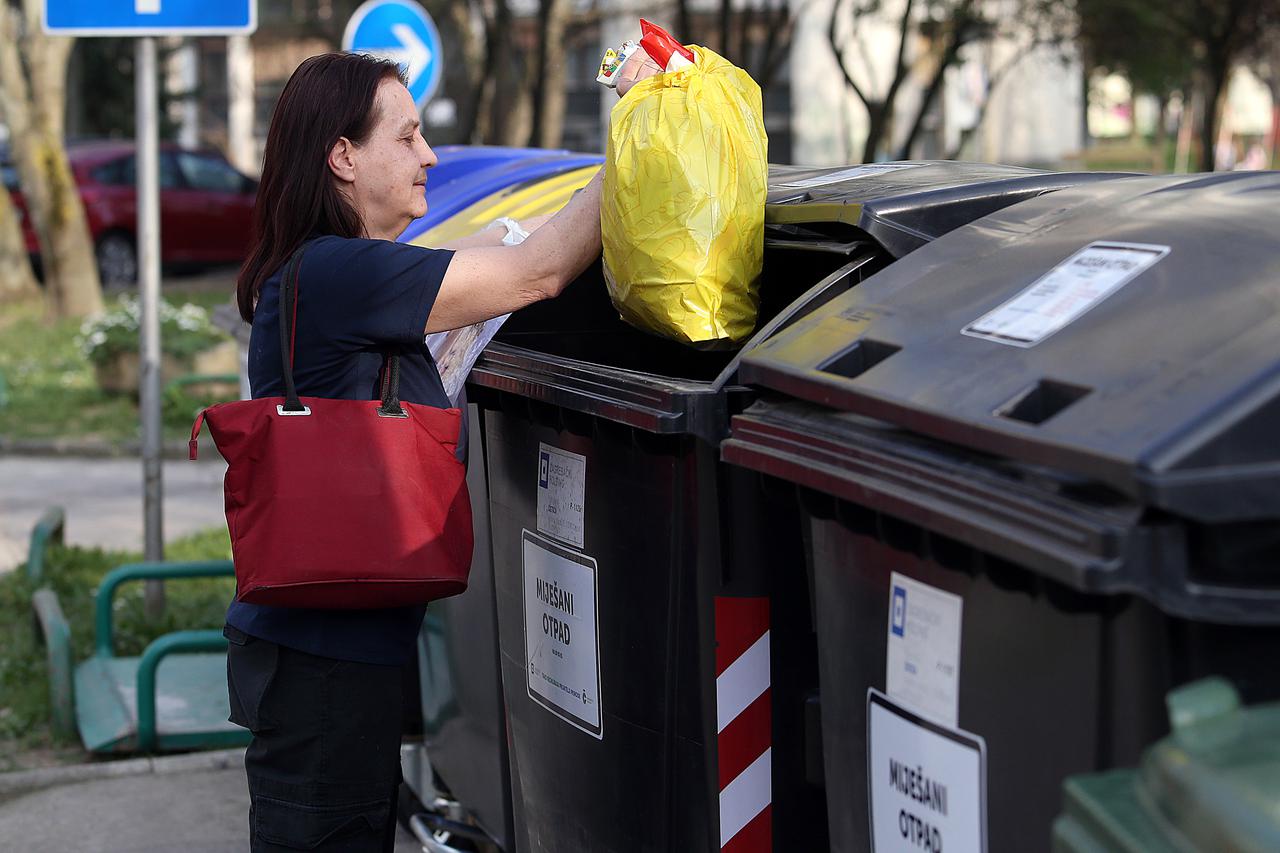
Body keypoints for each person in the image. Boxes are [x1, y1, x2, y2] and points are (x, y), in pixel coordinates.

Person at [225, 52, 603, 852]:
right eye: (409, 135)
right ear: (343, 156)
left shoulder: (334, 270)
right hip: (322, 668)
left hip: (330, 658)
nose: (429, 154)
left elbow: (499, 244)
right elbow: (537, 274)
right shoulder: (338, 272)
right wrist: (643, 138)